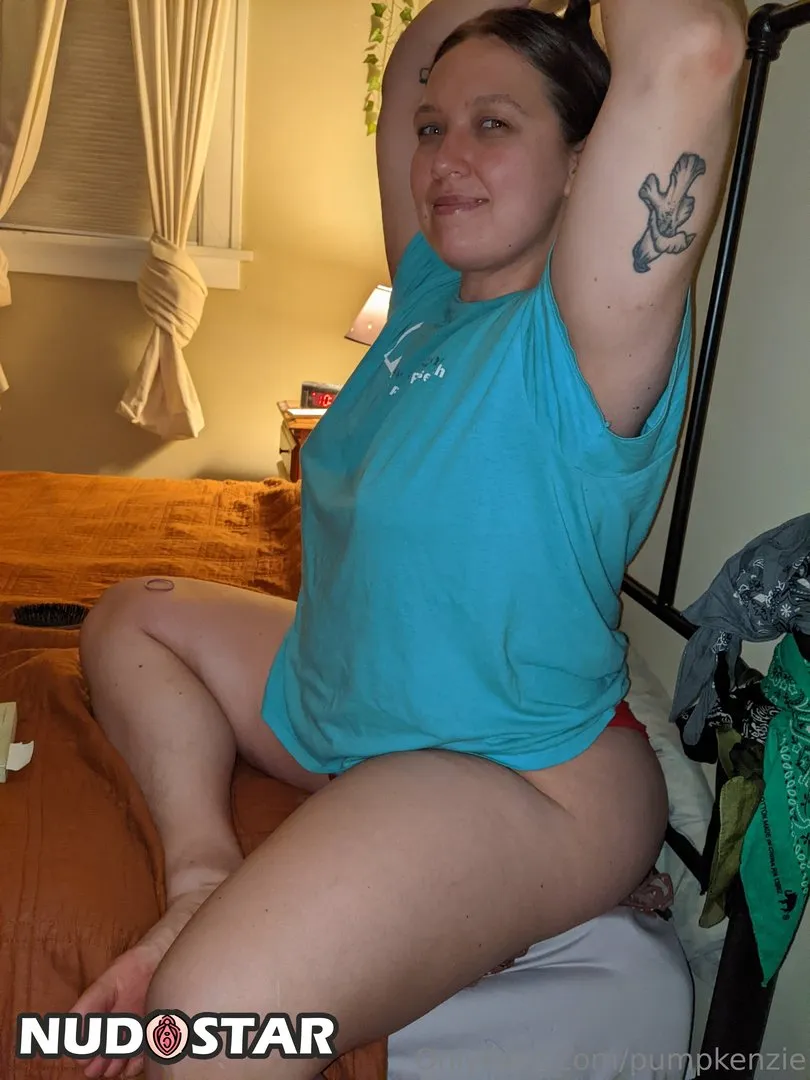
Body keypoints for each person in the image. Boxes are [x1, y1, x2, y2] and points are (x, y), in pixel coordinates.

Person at [72, 0, 746, 1076]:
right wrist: (435, 93)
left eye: (495, 124)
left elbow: (694, 44)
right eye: (438, 129)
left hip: (508, 770)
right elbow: (407, 80)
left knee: (208, 1027)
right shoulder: (430, 289)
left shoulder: (586, 330)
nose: (444, 156)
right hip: (338, 704)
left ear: (583, 163)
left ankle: (496, 886)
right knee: (128, 618)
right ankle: (203, 876)